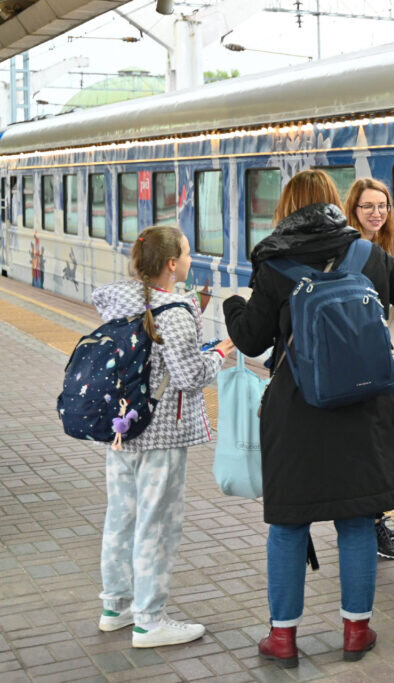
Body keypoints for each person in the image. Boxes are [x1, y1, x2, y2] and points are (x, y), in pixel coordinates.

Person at [223, 169, 394, 668]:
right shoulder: (368, 255)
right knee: (357, 522)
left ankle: (282, 640)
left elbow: (253, 340)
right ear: (334, 206)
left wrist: (235, 304)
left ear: (287, 207)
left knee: (288, 526)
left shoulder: (275, 263)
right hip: (365, 407)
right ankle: (356, 631)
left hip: (297, 412)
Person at [93, 225, 234, 648]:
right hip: (161, 434)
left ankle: (115, 607)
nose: (191, 260)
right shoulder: (175, 310)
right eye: (187, 254)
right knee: (157, 524)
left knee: (120, 518)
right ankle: (150, 620)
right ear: (171, 264)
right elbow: (190, 378)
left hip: (121, 429)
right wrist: (220, 353)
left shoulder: (118, 304)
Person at [342, 177, 394, 561]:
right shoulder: (352, 251)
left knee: (376, 444)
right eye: (368, 206)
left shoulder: (385, 247)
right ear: (353, 210)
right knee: (369, 446)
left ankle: (370, 519)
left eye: (382, 206)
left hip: (381, 359)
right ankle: (369, 523)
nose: (377, 213)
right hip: (357, 363)